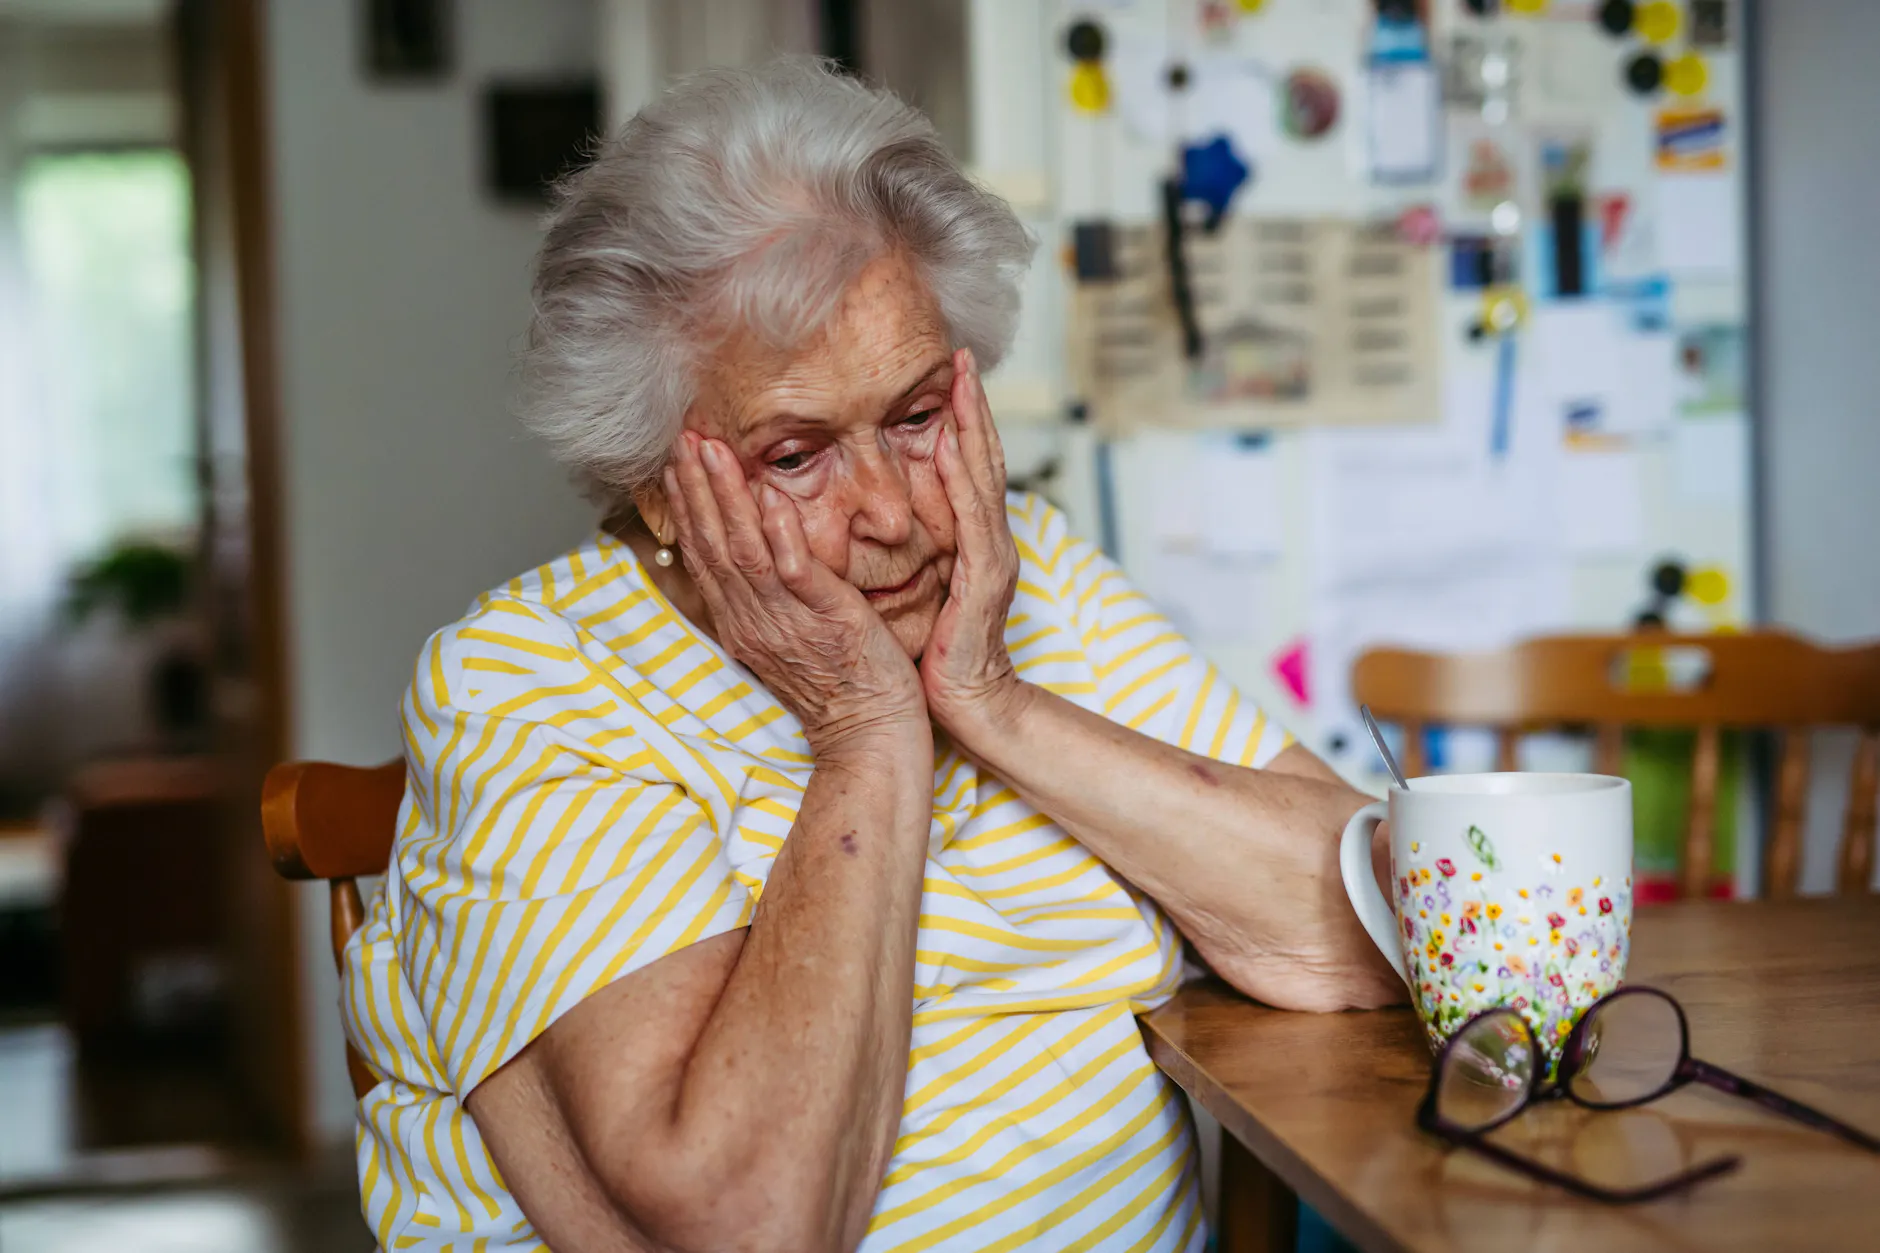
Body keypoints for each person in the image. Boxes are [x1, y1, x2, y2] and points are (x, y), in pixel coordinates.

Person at [341, 57, 1398, 1253]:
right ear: (655, 485)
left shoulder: (1023, 570)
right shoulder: (531, 685)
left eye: (915, 417)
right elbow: (752, 1219)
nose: (892, 513)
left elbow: (1373, 929)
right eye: (794, 456)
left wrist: (990, 698)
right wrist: (866, 731)